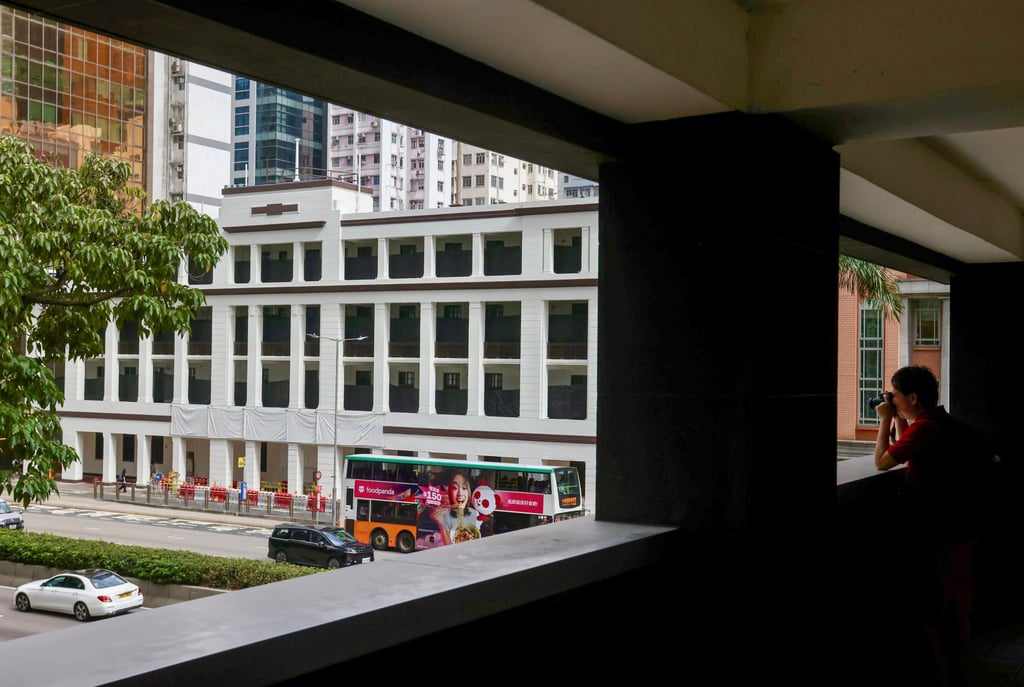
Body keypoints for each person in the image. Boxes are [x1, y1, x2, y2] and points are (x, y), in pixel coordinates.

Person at [874, 365, 992, 687]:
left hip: (939, 530)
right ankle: (957, 669)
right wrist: (899, 420)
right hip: (965, 526)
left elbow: (882, 461)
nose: (893, 401)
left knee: (933, 606)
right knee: (957, 603)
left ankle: (938, 674)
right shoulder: (943, 422)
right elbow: (910, 447)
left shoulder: (925, 429)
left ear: (912, 397)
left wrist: (884, 419)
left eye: (896, 396)